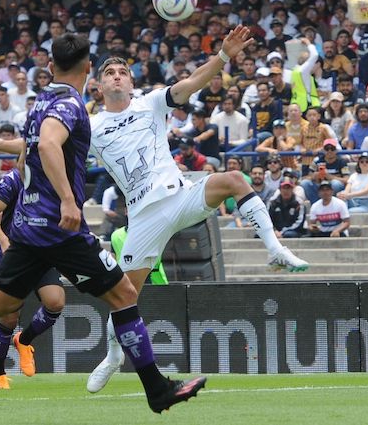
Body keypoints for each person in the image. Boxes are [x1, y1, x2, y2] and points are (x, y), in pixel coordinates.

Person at [0, 34, 207, 414]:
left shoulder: (42, 101)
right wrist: (66, 198)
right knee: (125, 295)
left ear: (50, 68)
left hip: (28, 225)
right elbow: (47, 145)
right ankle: (156, 390)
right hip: (58, 227)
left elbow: (34, 147)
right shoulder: (70, 104)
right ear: (86, 72)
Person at [85, 25, 308, 393]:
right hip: (143, 218)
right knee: (123, 298)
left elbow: (192, 83)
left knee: (235, 179)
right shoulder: (91, 127)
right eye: (109, 72)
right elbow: (47, 141)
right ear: (99, 85)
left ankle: (275, 249)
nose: (117, 76)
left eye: (122, 71)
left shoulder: (151, 102)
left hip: (180, 196)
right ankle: (112, 356)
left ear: (130, 80)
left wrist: (223, 56)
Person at [0, 169, 65, 390]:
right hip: (11, 255)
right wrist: (3, 241)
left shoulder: (60, 176)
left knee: (55, 301)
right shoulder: (14, 179)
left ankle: (24, 340)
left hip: (41, 253)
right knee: (9, 318)